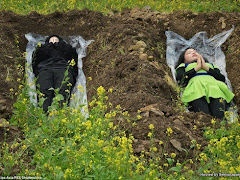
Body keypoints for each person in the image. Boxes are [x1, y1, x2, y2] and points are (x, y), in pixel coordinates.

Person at [175, 48, 234, 119]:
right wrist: (197, 68)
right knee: (203, 116)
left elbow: (221, 78)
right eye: (189, 53)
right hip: (195, 89)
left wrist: (206, 67)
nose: (193, 53)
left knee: (219, 115)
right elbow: (181, 79)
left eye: (195, 51)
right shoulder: (183, 66)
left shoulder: (211, 65)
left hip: (214, 89)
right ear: (184, 59)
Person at [32, 35, 78, 112]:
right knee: (44, 93)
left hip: (63, 68)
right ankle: (42, 119)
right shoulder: (42, 49)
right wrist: (48, 47)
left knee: (62, 93)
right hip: (45, 69)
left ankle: (60, 118)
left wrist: (60, 46)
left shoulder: (66, 48)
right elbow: (36, 60)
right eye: (51, 39)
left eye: (56, 39)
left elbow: (73, 57)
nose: (53, 41)